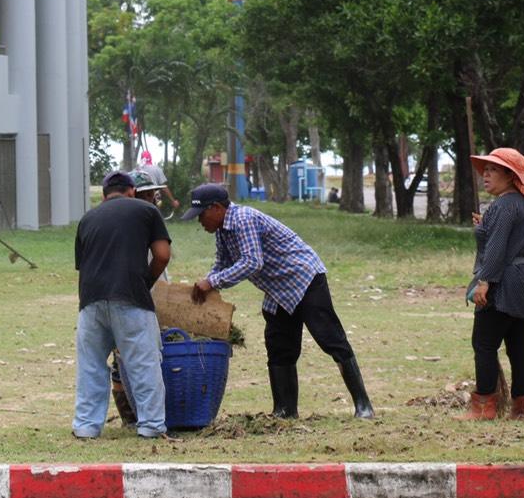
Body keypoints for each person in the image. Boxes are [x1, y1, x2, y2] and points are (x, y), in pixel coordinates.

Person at [185, 183, 373, 419]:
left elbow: (252, 262)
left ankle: (363, 405)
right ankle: (285, 411)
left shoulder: (243, 219)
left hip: (303, 278)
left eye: (201, 214)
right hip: (277, 289)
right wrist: (208, 281)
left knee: (330, 338)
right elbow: (222, 263)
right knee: (279, 345)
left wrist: (213, 282)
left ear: (216, 208)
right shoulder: (222, 230)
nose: (199, 221)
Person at [72, 170, 172, 439]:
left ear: (105, 195)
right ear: (131, 191)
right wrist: (145, 282)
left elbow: (83, 265)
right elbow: (162, 255)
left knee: (91, 365)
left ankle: (86, 426)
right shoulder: (147, 211)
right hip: (130, 297)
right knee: (143, 363)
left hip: (90, 300)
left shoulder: (87, 218)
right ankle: (151, 426)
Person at [462, 148, 524, 421]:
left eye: (493, 170)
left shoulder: (503, 205)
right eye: (485, 170)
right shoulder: (520, 204)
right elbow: (509, 238)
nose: (485, 175)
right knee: (519, 348)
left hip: (504, 284)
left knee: (484, 344)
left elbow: (497, 249)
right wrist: (485, 225)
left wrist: (484, 281)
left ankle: (484, 408)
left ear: (510, 176)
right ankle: (519, 410)